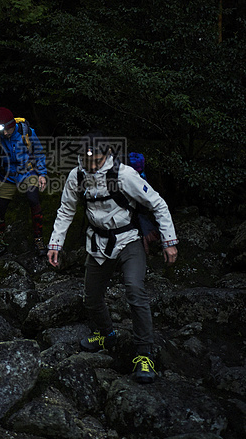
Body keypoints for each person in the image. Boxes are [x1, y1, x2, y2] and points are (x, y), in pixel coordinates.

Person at [47, 131, 178, 383]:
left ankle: (144, 353)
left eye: (96, 160)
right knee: (91, 297)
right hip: (97, 242)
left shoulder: (124, 175)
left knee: (134, 289)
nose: (92, 166)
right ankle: (107, 334)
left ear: (106, 154)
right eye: (88, 161)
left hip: (128, 239)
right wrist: (56, 243)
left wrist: (169, 241)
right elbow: (66, 209)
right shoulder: (76, 176)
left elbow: (157, 204)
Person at [0, 107, 48, 256]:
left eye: (8, 129)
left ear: (13, 125)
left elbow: (39, 153)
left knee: (33, 199)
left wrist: (42, 174)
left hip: (27, 172)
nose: (5, 133)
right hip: (7, 176)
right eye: (3, 130)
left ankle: (38, 239)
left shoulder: (26, 132)